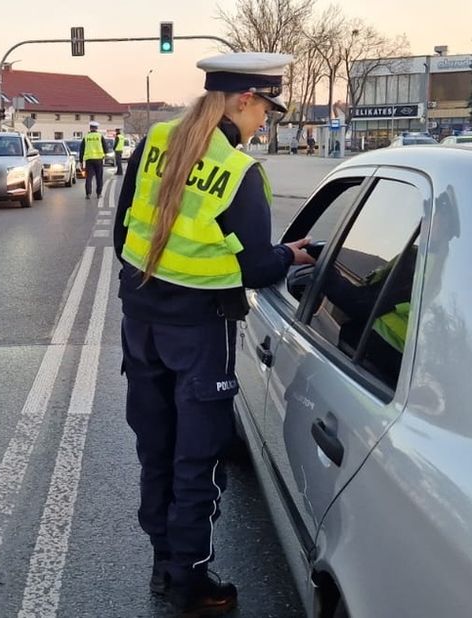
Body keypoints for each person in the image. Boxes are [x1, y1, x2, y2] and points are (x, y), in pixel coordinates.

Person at [113, 51, 314, 615]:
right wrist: (290, 255)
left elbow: (124, 227)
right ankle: (190, 582)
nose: (264, 125)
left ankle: (162, 563)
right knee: (196, 459)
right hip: (200, 335)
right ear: (245, 99)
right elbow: (253, 267)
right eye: (265, 112)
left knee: (157, 449)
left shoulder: (156, 140)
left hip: (142, 324)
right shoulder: (240, 172)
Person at [79, 120, 105, 199]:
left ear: (90, 128)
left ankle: (88, 194)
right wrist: (104, 155)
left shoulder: (86, 137)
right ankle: (99, 193)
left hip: (89, 160)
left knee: (89, 177)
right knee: (99, 177)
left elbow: (81, 150)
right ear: (96, 128)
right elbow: (106, 149)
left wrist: (80, 161)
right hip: (98, 160)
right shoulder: (100, 136)